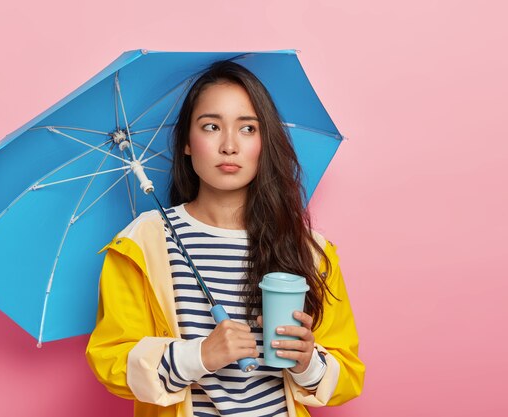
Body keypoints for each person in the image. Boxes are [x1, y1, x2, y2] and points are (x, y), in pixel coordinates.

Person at [86, 60, 365, 417]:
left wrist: (307, 362)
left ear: (264, 142)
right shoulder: (143, 243)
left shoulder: (308, 249)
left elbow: (348, 374)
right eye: (211, 126)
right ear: (187, 142)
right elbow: (112, 360)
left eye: (248, 128)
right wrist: (199, 356)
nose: (229, 145)